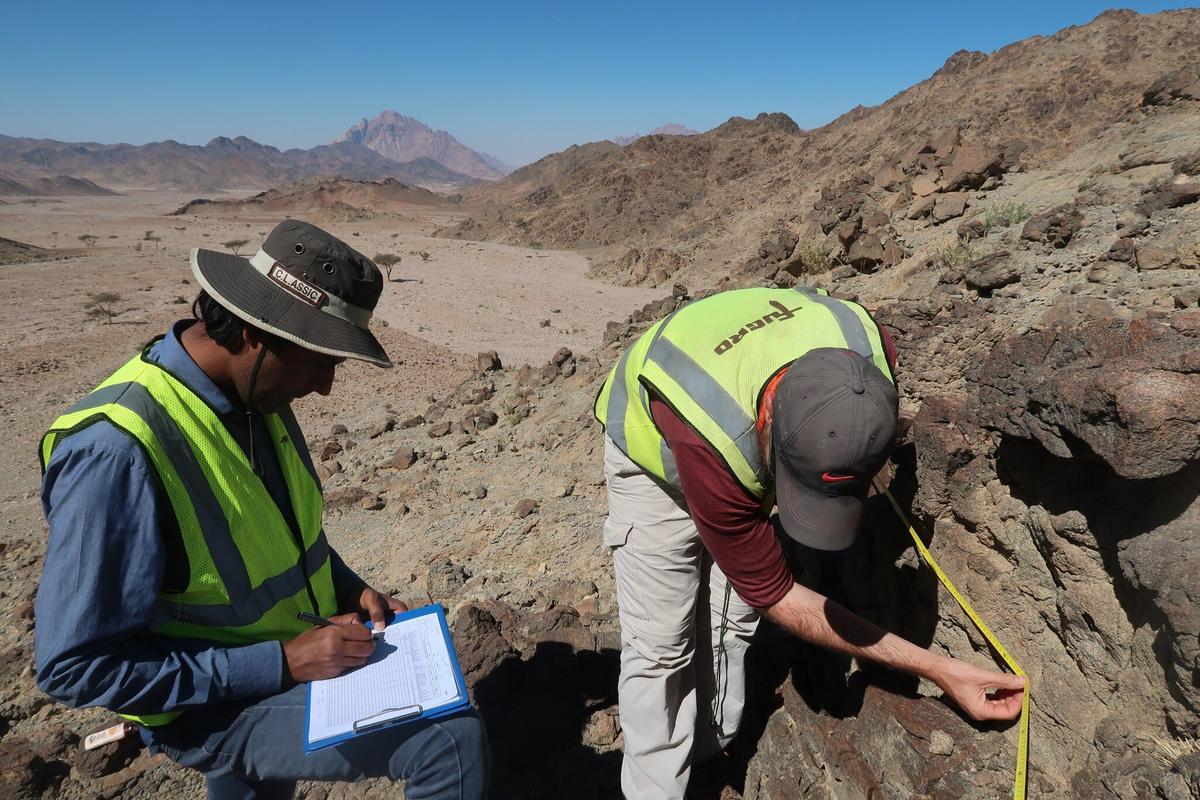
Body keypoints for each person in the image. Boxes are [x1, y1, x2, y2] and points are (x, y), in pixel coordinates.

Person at [35, 219, 489, 799]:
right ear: (256, 333)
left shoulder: (256, 397)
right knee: (448, 742)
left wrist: (348, 589)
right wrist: (281, 664)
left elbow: (274, 537)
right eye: (320, 359)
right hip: (206, 707)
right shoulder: (116, 453)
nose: (325, 386)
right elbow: (73, 667)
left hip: (280, 663)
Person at [594, 286, 1025, 799]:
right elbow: (776, 595)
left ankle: (710, 753)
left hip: (739, 436)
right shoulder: (709, 436)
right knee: (661, 647)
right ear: (770, 422)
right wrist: (938, 669)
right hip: (657, 453)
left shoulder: (869, 360)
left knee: (729, 621)